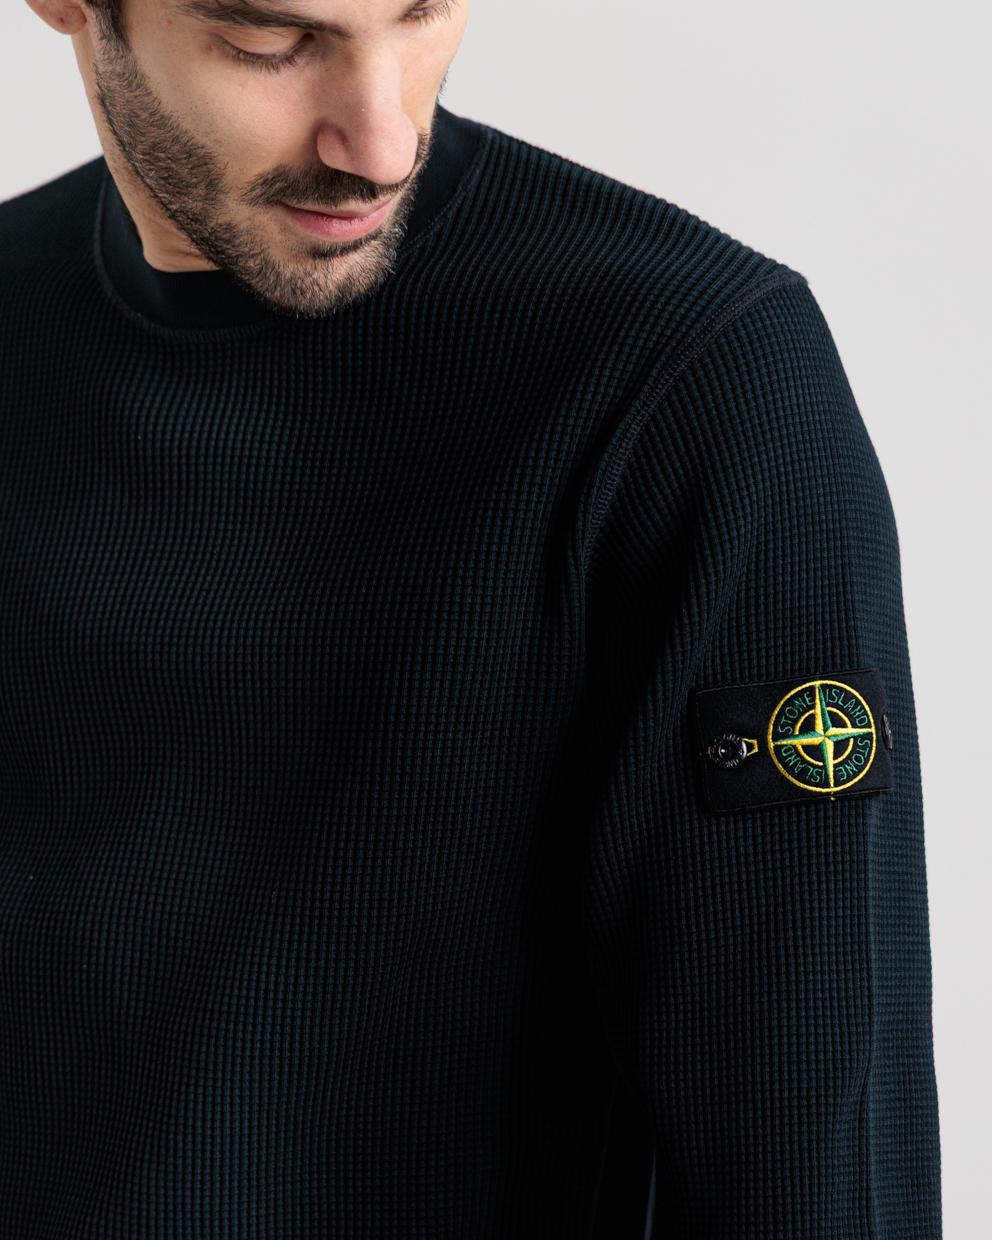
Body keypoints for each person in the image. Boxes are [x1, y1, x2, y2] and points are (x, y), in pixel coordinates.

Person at [1, 2, 942, 1236]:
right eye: (272, 42)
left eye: (422, 13)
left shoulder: (686, 382)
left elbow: (803, 1160)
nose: (381, 140)